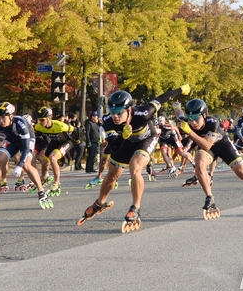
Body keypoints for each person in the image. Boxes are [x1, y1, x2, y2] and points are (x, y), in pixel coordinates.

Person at [77, 85, 190, 233]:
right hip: (124, 142)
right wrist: (123, 136)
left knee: (135, 167)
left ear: (129, 110)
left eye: (119, 112)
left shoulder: (143, 113)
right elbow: (115, 146)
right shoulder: (108, 121)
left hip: (146, 139)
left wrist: (180, 90)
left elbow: (162, 98)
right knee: (112, 175)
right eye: (112, 112)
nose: (115, 116)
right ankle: (100, 203)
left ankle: (135, 207)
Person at [174, 98, 243, 219]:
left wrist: (190, 133)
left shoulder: (212, 122)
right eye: (190, 118)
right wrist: (176, 105)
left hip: (223, 145)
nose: (193, 122)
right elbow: (179, 114)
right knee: (199, 160)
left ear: (204, 115)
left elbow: (207, 144)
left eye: (197, 118)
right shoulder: (187, 121)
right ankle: (210, 197)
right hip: (209, 150)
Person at [0, 102, 53, 209]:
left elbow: (26, 147)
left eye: (3, 118)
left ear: (11, 116)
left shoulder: (20, 124)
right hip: (11, 140)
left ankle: (41, 191)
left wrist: (19, 165)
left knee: (27, 165)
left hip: (27, 141)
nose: (1, 121)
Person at [34, 106, 76, 196]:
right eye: (39, 120)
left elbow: (74, 130)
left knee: (53, 158)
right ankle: (44, 177)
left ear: (49, 118)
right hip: (54, 143)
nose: (40, 122)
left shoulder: (60, 126)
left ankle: (57, 182)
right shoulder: (38, 126)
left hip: (65, 142)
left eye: (42, 120)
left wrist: (77, 141)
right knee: (45, 162)